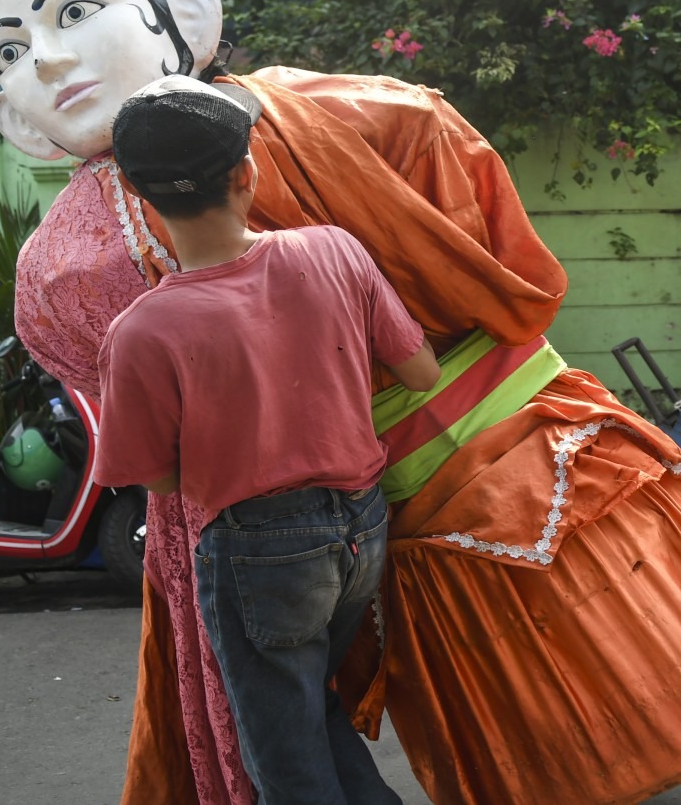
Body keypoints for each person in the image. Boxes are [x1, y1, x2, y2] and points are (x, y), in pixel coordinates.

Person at [0, 0, 681, 804]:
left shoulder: (106, 278)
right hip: (366, 510)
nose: (50, 61)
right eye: (8, 55)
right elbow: (463, 311)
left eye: (74, 12)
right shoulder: (324, 229)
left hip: (265, 531)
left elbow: (147, 465)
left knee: (284, 724)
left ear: (188, 11)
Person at [94, 75, 441, 803]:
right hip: (362, 527)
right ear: (246, 174)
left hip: (258, 551)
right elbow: (421, 371)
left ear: (136, 195)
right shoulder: (335, 251)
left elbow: (155, 479)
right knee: (312, 709)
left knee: (285, 762)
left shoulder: (142, 332)